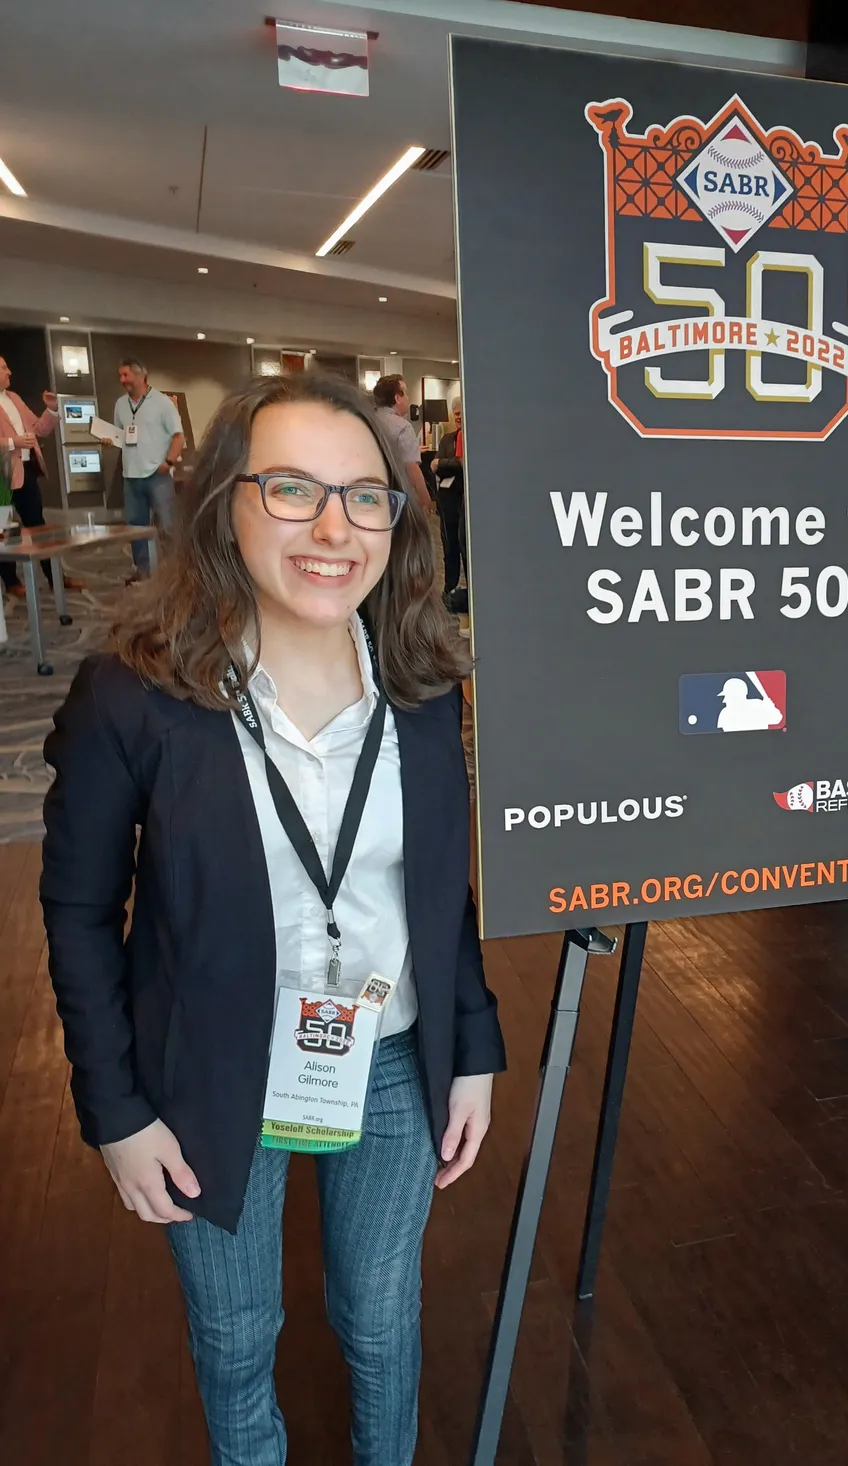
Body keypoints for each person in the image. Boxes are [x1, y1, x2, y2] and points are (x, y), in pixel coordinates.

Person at [41, 370, 505, 1466]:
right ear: (223, 503)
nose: (333, 528)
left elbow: (440, 889)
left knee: (381, 1321)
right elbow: (76, 907)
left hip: (391, 1056)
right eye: (292, 489)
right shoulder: (134, 692)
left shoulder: (425, 681)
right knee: (237, 1334)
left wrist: (473, 1043)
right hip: (205, 1066)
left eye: (365, 495)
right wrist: (115, 1109)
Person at [0, 357, 82, 596]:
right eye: (4, 368)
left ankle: (56, 578)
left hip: (26, 472)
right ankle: (12, 582)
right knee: (3, 530)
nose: (10, 371)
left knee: (39, 528)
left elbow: (38, 430)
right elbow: (16, 439)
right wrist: (12, 442)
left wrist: (51, 409)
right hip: (1, 476)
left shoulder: (14, 398)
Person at [97, 357, 185, 580]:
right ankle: (143, 570)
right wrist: (109, 440)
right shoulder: (120, 404)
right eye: (120, 376)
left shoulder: (162, 402)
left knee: (167, 526)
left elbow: (178, 437)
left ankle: (172, 572)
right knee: (135, 527)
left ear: (141, 376)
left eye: (125, 375)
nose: (122, 380)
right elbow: (121, 435)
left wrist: (169, 463)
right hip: (131, 476)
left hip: (158, 476)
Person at [372, 374, 430, 512]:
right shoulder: (403, 427)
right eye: (406, 394)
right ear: (397, 398)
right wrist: (425, 498)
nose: (408, 399)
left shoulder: (365, 420)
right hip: (395, 496)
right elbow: (411, 467)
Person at [432, 395, 466, 610]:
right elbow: (434, 466)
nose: (458, 418)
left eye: (461, 413)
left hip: (466, 500)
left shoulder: (472, 438)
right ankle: (449, 588)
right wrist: (446, 464)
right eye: (455, 414)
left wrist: (444, 463)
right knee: (449, 546)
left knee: (467, 548)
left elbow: (463, 465)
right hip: (448, 501)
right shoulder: (447, 439)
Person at [716, 675, 784, 732]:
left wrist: (770, 707)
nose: (724, 701)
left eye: (728, 696)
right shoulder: (725, 713)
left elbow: (777, 720)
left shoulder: (758, 705)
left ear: (738, 695)